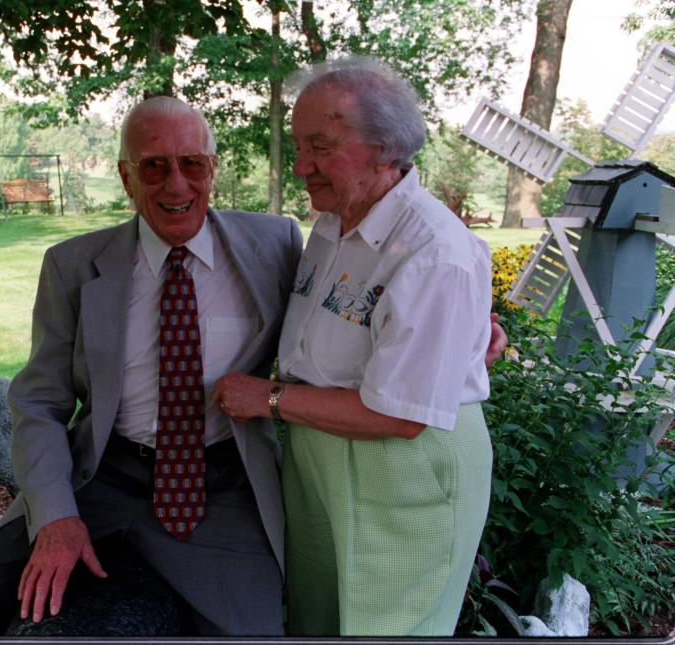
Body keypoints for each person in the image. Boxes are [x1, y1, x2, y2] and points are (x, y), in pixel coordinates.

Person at [0, 95, 303, 636]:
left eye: (192, 164)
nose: (176, 185)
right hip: (103, 476)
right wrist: (57, 516)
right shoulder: (72, 267)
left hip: (221, 484)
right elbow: (39, 402)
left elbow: (343, 312)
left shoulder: (274, 245)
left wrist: (465, 337)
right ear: (125, 176)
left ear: (213, 168)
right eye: (154, 166)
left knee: (251, 634)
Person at [213, 57, 496, 636]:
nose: (300, 167)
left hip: (403, 467)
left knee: (388, 623)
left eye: (319, 145)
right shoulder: (333, 223)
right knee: (322, 614)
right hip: (322, 449)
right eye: (298, 146)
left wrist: (266, 399)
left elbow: (399, 416)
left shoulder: (435, 252)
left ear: (385, 148)